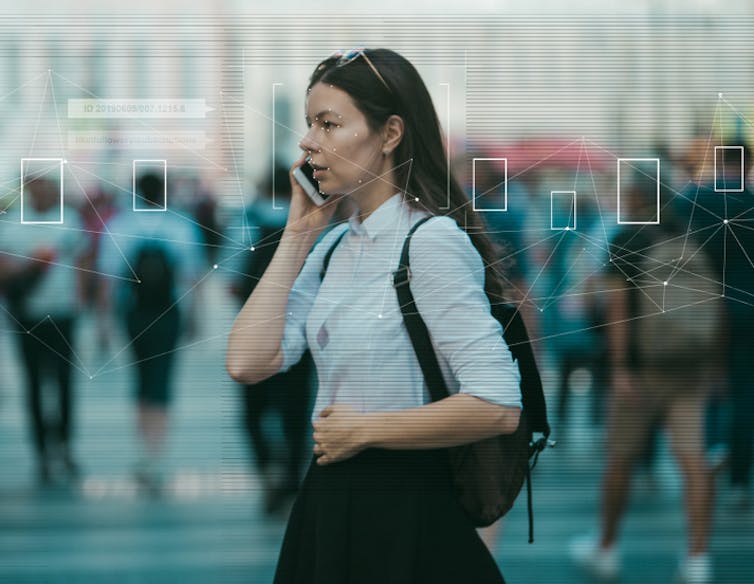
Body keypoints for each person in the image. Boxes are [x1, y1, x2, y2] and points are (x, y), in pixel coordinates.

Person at [226, 48, 522, 583]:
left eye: (329, 123)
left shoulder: (430, 241)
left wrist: (365, 430)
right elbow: (248, 361)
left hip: (403, 505)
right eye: (310, 123)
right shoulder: (337, 243)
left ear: (390, 134)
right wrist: (298, 235)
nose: (309, 141)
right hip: (331, 497)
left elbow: (498, 403)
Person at [570, 177, 720, 584]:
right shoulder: (695, 238)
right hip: (690, 367)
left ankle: (606, 548)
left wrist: (619, 367)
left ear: (636, 198)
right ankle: (697, 558)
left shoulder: (626, 239)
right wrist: (716, 365)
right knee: (693, 461)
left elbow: (617, 309)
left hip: (641, 370)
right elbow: (716, 303)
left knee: (620, 461)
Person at [97, 171, 202, 493]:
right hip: (168, 314)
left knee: (141, 379)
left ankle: (144, 452)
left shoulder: (122, 224)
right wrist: (195, 317)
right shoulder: (180, 225)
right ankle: (158, 453)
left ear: (137, 192)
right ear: (164, 192)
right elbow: (193, 276)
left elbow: (107, 278)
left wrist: (103, 323)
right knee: (162, 379)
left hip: (134, 314)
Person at [227, 166, 315, 515]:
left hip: (256, 331)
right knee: (296, 408)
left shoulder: (246, 220)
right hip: (301, 330)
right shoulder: (313, 225)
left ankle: (266, 468)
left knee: (252, 407)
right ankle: (293, 475)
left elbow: (231, 279)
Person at [0, 176, 87, 484]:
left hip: (63, 314)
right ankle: (42, 452)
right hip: (27, 316)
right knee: (34, 384)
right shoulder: (11, 223)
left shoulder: (70, 220)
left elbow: (84, 263)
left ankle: (64, 445)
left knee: (63, 383)